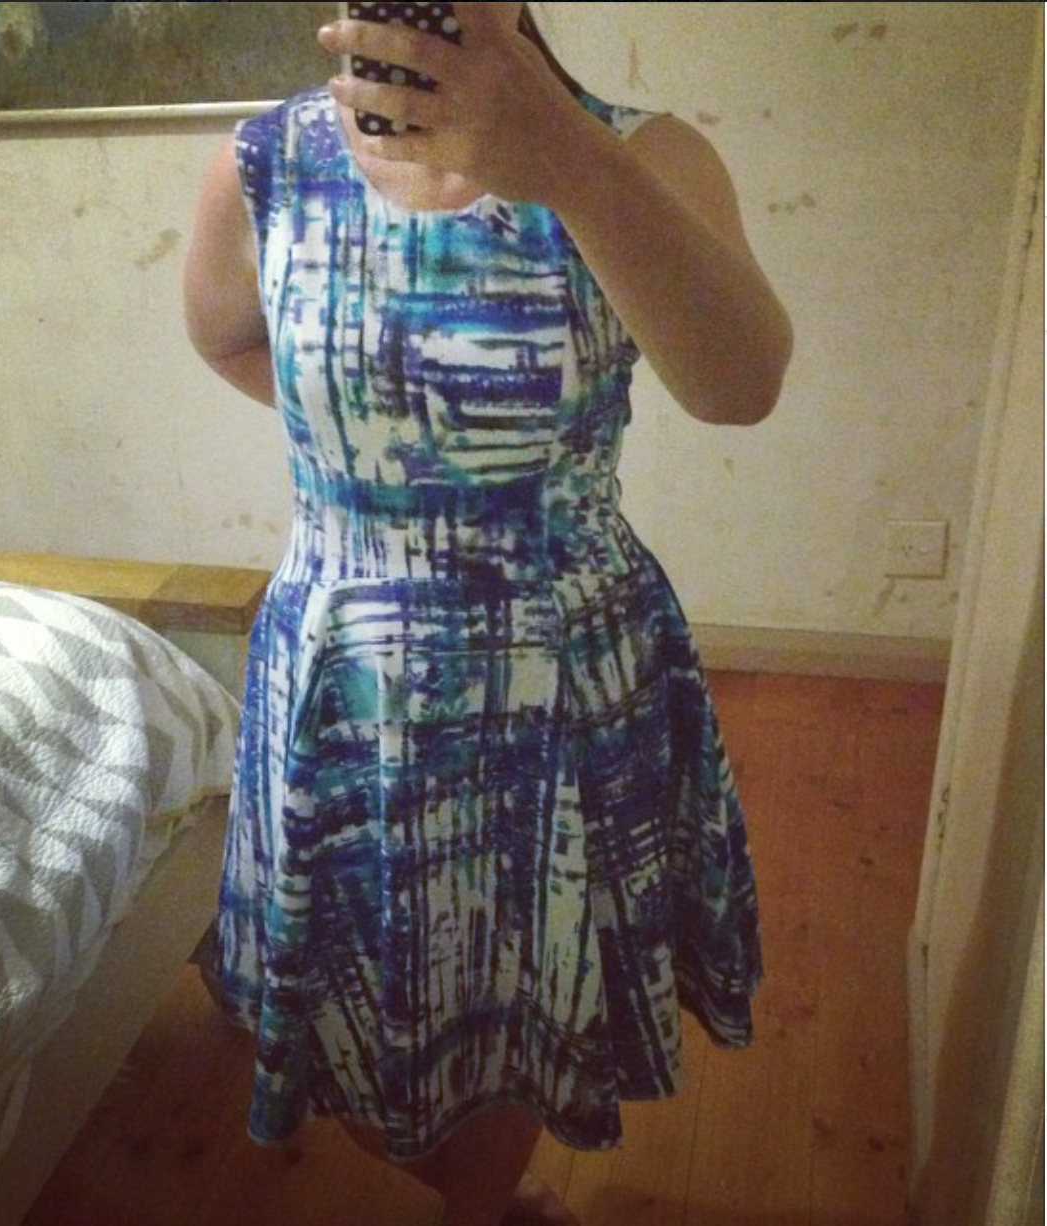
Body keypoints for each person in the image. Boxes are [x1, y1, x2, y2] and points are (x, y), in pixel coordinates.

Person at [184, 4, 792, 1224]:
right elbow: (227, 340)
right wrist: (386, 452)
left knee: (523, 981)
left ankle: (483, 1203)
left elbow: (740, 387)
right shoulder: (264, 164)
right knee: (357, 983)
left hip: (556, 669)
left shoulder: (644, 156)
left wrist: (567, 162)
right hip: (344, 669)